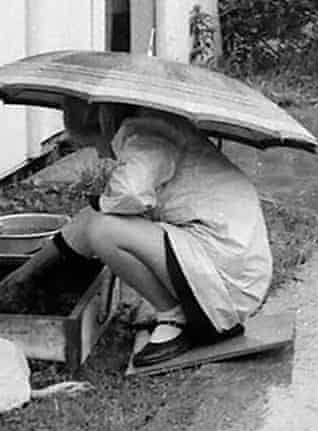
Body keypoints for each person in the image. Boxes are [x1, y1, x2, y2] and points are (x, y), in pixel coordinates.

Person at [53, 96, 272, 367]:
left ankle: (174, 318)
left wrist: (101, 200)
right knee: (106, 220)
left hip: (226, 278)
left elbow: (126, 197)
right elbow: (106, 210)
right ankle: (181, 309)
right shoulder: (158, 129)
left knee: (104, 230)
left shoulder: (148, 137)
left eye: (92, 143)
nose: (99, 154)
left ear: (103, 123)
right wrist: (30, 269)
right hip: (233, 262)